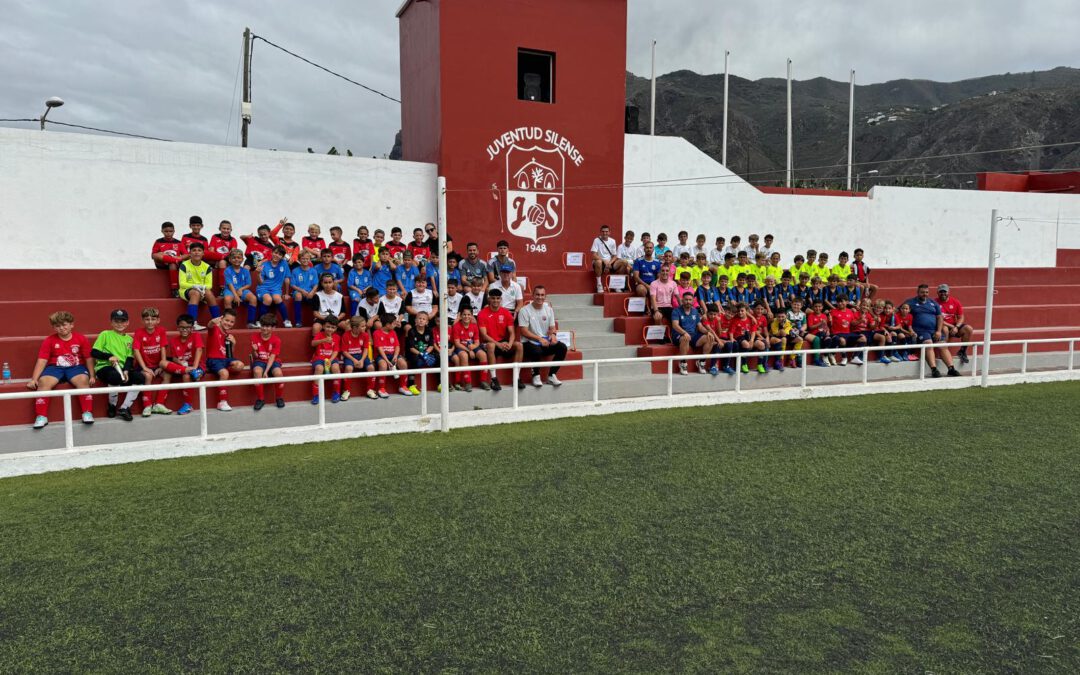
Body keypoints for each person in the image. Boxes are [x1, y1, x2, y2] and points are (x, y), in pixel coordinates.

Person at [28, 311, 96, 429]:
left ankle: (87, 412)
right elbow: (42, 360)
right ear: (53, 327)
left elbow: (88, 358)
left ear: (71, 325)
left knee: (83, 380)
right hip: (55, 368)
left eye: (64, 324)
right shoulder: (49, 340)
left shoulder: (81, 338)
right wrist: (34, 379)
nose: (62, 328)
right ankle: (41, 416)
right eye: (57, 326)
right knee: (43, 382)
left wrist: (92, 375)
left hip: (76, 367)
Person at [92, 309, 146, 422]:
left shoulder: (130, 339)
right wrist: (108, 356)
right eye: (116, 321)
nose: (119, 324)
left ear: (127, 323)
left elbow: (130, 358)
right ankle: (112, 405)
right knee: (114, 377)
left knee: (140, 377)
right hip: (104, 367)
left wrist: (126, 370)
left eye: (123, 321)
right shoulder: (105, 334)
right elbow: (94, 352)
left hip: (121, 368)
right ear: (111, 322)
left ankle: (124, 408)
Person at [905, 284, 960, 377]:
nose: (925, 294)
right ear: (918, 292)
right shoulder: (910, 302)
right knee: (928, 343)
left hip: (934, 330)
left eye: (926, 292)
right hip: (920, 331)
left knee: (942, 345)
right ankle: (934, 369)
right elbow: (900, 311)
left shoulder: (933, 303)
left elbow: (939, 317)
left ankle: (951, 368)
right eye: (922, 292)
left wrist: (938, 331)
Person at [517, 285, 567, 387]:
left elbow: (552, 327)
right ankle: (536, 375)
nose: (540, 297)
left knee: (562, 347)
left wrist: (553, 335)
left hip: (544, 341)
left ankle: (551, 375)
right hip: (528, 343)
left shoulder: (548, 309)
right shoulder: (524, 310)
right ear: (533, 295)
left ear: (545, 296)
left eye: (542, 295)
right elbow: (523, 331)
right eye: (537, 295)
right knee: (537, 350)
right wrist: (539, 339)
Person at [132, 306, 174, 416]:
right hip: (143, 365)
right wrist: (145, 368)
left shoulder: (161, 331)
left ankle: (159, 404)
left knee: (168, 374)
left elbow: (163, 348)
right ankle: (147, 405)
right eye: (147, 319)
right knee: (148, 376)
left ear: (158, 320)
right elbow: (136, 351)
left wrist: (162, 365)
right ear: (142, 321)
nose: (150, 322)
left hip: (157, 364)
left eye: (153, 319)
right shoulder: (139, 332)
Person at [478, 289, 523, 389]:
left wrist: (510, 344)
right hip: (488, 343)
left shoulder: (506, 312)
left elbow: (512, 332)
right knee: (491, 345)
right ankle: (494, 379)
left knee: (519, 345)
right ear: (489, 299)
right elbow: (484, 335)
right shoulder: (482, 314)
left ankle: (516, 378)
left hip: (502, 343)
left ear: (501, 299)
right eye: (493, 298)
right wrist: (498, 344)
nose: (495, 300)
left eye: (498, 298)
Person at [165, 314, 206, 415]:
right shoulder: (174, 340)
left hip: (197, 365)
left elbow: (199, 350)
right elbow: (174, 357)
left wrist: (195, 367)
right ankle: (188, 404)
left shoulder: (196, 335)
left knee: (192, 375)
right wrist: (182, 364)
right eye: (182, 327)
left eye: (188, 328)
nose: (185, 330)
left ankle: (188, 404)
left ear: (192, 328)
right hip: (183, 366)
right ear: (177, 327)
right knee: (183, 373)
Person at [205, 310, 246, 411]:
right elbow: (209, 326)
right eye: (226, 320)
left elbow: (229, 355)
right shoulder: (215, 328)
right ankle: (222, 402)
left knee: (240, 365)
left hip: (225, 360)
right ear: (221, 319)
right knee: (224, 373)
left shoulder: (228, 335)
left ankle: (221, 371)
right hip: (213, 359)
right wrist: (212, 321)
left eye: (231, 322)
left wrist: (234, 344)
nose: (229, 323)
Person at [178, 242, 220, 331]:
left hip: (202, 290)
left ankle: (218, 321)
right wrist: (194, 286)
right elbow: (182, 283)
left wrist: (201, 287)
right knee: (195, 293)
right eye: (194, 250)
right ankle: (192, 323)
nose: (196, 252)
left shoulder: (207, 267)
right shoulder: (184, 265)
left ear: (203, 253)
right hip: (186, 290)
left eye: (199, 250)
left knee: (209, 292)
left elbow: (209, 285)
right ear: (190, 253)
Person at [671, 292, 714, 375]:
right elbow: (675, 325)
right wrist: (684, 333)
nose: (688, 301)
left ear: (693, 301)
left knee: (709, 338)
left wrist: (708, 332)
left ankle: (701, 363)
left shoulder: (695, 311)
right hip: (679, 335)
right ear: (682, 300)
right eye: (686, 299)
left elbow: (700, 327)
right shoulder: (676, 311)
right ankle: (683, 363)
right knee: (685, 338)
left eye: (690, 300)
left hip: (693, 335)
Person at [250, 313, 286, 410]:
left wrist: (266, 371)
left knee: (278, 373)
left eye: (267, 326)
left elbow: (272, 357)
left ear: (273, 328)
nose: (264, 328)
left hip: (272, 361)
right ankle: (260, 399)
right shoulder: (254, 336)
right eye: (263, 325)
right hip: (259, 360)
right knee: (257, 371)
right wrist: (253, 350)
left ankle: (279, 398)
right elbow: (256, 356)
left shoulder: (276, 340)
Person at [451, 306, 491, 391]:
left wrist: (472, 348)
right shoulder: (456, 326)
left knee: (483, 355)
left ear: (472, 316)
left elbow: (477, 342)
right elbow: (457, 344)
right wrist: (469, 350)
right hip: (461, 347)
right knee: (464, 355)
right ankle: (467, 383)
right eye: (464, 315)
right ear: (460, 316)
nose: (466, 316)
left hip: (472, 346)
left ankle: (483, 381)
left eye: (469, 314)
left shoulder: (474, 326)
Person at [340, 315, 377, 400]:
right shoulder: (346, 335)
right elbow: (344, 352)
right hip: (350, 356)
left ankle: (370, 390)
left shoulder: (365, 335)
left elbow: (365, 349)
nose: (365, 327)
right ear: (355, 327)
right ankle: (346, 390)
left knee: (371, 367)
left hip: (361, 356)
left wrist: (362, 360)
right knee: (348, 368)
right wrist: (354, 360)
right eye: (363, 326)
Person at [372, 313, 410, 397]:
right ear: (388, 324)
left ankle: (403, 386)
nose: (395, 324)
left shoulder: (393, 332)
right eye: (394, 323)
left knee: (403, 363)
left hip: (393, 355)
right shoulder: (376, 333)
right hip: (381, 356)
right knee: (383, 365)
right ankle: (381, 388)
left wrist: (395, 356)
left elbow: (397, 346)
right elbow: (380, 349)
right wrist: (387, 360)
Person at [310, 315, 343, 405]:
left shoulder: (337, 337)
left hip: (331, 358)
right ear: (323, 326)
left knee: (336, 368)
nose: (330, 329)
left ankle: (336, 392)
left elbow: (336, 351)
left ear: (336, 328)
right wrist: (323, 340)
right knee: (319, 369)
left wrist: (329, 360)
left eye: (333, 327)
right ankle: (316, 395)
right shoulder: (319, 334)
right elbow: (312, 343)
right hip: (319, 358)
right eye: (328, 327)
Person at [256, 245, 292, 327]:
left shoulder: (284, 263)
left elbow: (286, 278)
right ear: (272, 253)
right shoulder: (264, 265)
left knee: (277, 298)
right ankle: (259, 321)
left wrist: (287, 293)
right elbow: (260, 283)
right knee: (268, 299)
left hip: (276, 289)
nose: (277, 255)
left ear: (282, 257)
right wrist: (258, 273)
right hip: (263, 288)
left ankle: (286, 320)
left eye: (280, 254)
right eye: (275, 253)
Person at [937, 284, 973, 364]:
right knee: (944, 328)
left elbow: (961, 317)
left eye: (945, 292)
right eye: (941, 292)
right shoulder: (935, 302)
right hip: (941, 325)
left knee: (968, 329)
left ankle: (962, 351)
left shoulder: (955, 302)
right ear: (937, 293)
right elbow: (937, 318)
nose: (943, 293)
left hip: (954, 326)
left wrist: (957, 327)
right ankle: (943, 353)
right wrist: (952, 326)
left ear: (948, 292)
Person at [405, 311, 440, 392]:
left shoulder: (429, 330)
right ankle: (411, 385)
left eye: (424, 319)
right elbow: (411, 348)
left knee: (438, 358)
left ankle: (440, 383)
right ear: (415, 320)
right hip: (415, 353)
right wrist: (421, 354)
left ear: (427, 322)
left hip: (426, 353)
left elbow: (431, 345)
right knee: (413, 360)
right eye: (419, 318)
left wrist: (426, 353)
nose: (421, 320)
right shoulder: (411, 331)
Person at [223, 248, 258, 327]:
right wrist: (235, 295)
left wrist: (241, 289)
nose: (236, 259)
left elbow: (249, 284)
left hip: (242, 289)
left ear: (242, 259)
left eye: (239, 258)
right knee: (227, 299)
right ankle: (228, 322)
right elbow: (229, 284)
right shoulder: (227, 270)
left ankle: (250, 322)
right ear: (230, 259)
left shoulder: (245, 270)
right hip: (230, 290)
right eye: (234, 258)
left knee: (253, 298)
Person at [152, 221, 185, 296]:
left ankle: (174, 289)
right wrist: (163, 256)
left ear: (174, 231)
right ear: (162, 231)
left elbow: (186, 255)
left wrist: (180, 257)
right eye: (166, 231)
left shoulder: (178, 243)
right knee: (157, 254)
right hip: (162, 264)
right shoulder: (158, 241)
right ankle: (173, 260)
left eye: (170, 231)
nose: (168, 233)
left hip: (174, 265)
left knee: (172, 264)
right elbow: (153, 256)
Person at [290, 251, 320, 328]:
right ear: (299, 259)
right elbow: (293, 285)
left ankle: (317, 319)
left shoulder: (313, 270)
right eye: (303, 259)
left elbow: (316, 284)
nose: (305, 260)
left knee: (316, 296)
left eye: (307, 259)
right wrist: (302, 291)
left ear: (310, 259)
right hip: (299, 290)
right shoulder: (295, 270)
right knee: (298, 296)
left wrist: (312, 292)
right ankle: (298, 322)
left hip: (310, 291)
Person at [206, 220, 237, 290]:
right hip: (215, 259)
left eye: (228, 229)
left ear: (231, 230)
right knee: (204, 253)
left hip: (227, 261)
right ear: (220, 229)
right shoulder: (215, 237)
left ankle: (222, 288)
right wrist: (221, 257)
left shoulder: (233, 240)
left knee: (222, 262)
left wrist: (222, 259)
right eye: (224, 228)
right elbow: (211, 251)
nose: (226, 230)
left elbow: (232, 254)